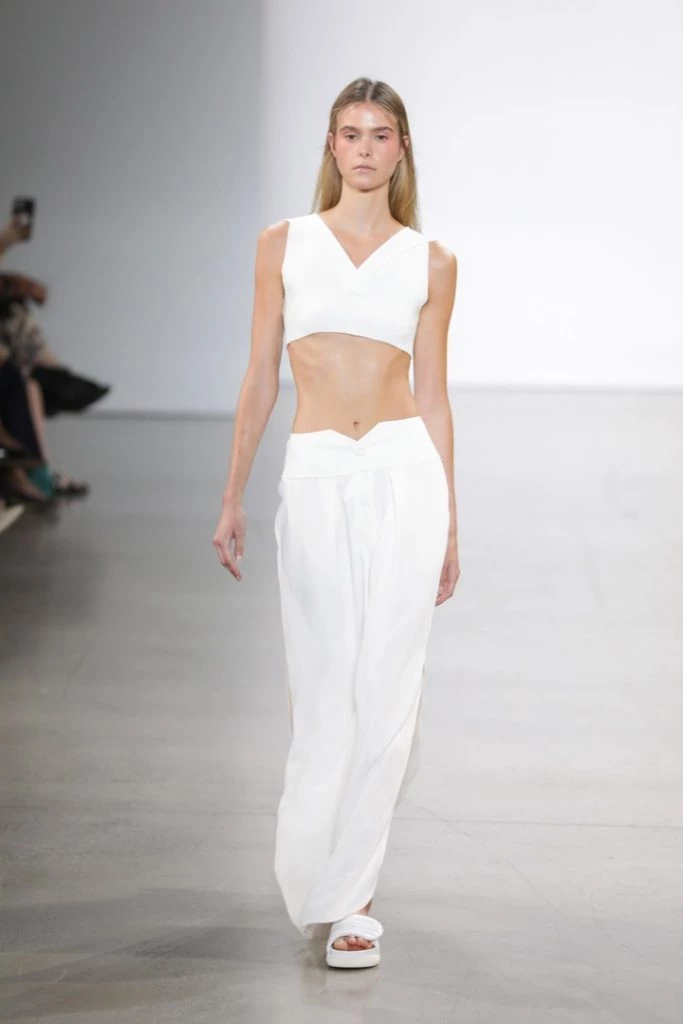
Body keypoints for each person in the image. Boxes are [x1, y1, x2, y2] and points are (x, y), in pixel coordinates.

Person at [212, 77, 460, 969]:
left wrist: (450, 522)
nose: (363, 148)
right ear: (329, 144)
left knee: (388, 683)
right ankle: (320, 865)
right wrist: (233, 494)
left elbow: (432, 394)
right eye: (349, 133)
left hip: (403, 472)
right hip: (316, 471)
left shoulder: (431, 261)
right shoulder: (283, 244)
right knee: (321, 682)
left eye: (379, 134)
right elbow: (259, 377)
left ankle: (355, 900)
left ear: (401, 149)